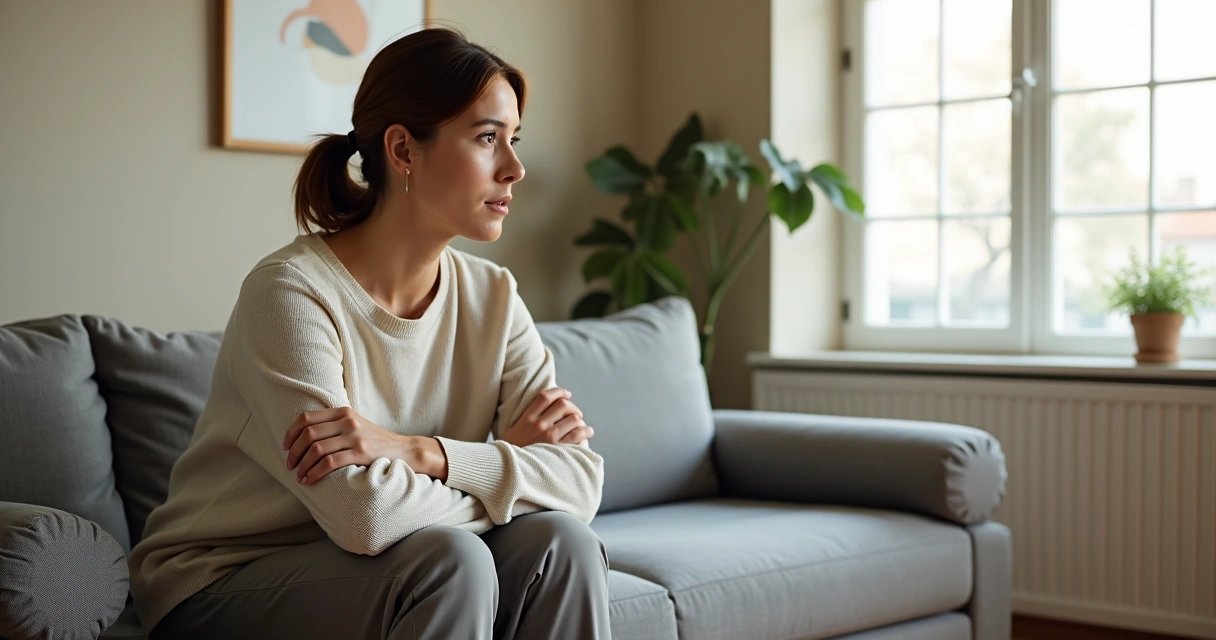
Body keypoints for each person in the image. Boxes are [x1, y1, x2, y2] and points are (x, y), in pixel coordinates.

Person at [127, 27, 610, 640]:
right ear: (404, 150)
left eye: (513, 140)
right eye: (488, 138)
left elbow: (580, 483)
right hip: (223, 579)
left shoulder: (494, 296)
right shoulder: (290, 292)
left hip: (392, 560)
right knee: (449, 561)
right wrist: (505, 467)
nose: (514, 168)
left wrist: (419, 452)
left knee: (559, 540)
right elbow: (365, 515)